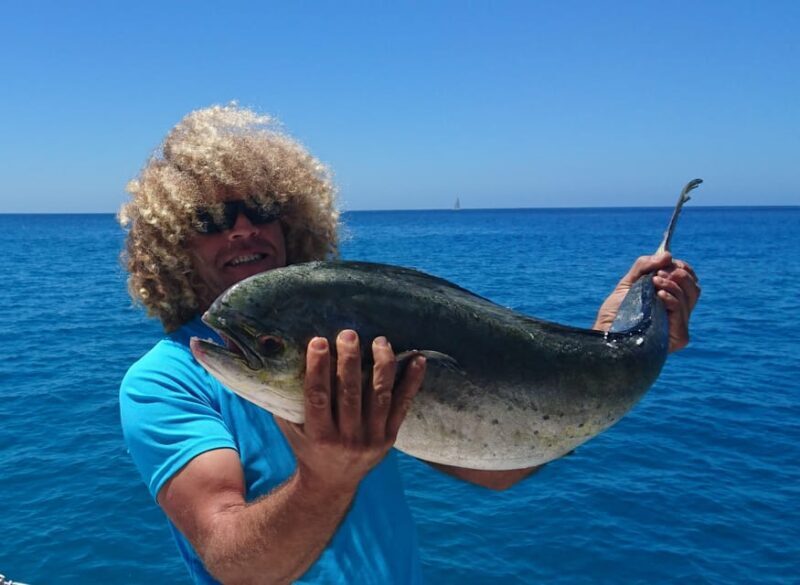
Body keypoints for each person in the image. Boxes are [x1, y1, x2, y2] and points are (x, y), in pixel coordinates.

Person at [118, 104, 701, 585]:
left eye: (260, 210)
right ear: (175, 243)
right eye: (211, 218)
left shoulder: (351, 345)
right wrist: (326, 478)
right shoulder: (165, 382)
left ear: (288, 220)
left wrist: (609, 348)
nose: (242, 229)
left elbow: (498, 469)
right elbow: (234, 564)